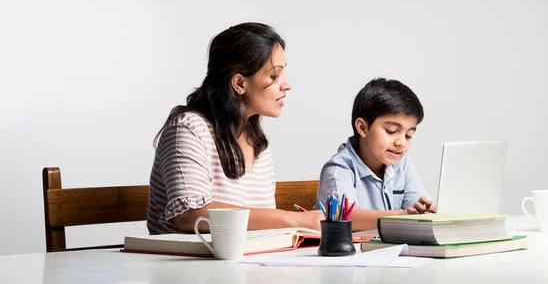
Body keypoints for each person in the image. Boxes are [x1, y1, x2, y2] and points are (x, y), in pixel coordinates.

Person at [147, 22, 323, 234]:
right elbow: (190, 216)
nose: (287, 85)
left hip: (242, 263)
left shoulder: (259, 145)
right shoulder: (189, 129)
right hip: (186, 264)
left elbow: (260, 226)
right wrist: (296, 220)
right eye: (274, 76)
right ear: (239, 83)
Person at [316, 78, 436, 231]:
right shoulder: (339, 168)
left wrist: (423, 211)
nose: (401, 142)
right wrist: (400, 217)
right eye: (392, 131)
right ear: (363, 128)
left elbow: (416, 208)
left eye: (408, 135)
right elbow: (345, 218)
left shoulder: (402, 164)